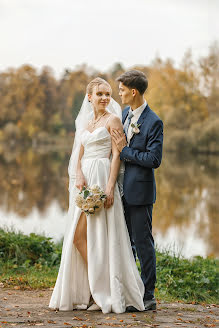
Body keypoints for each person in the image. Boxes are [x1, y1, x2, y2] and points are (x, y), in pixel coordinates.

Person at [49, 77, 145, 314]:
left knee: (102, 236)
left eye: (108, 93)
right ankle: (96, 286)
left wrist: (110, 187)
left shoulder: (113, 120)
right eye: (99, 94)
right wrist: (79, 175)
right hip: (85, 183)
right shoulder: (85, 124)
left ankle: (102, 291)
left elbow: (116, 155)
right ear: (89, 97)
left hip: (102, 178)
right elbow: (79, 156)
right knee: (78, 237)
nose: (105, 97)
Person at [112, 70, 163, 311]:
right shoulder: (124, 114)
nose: (119, 93)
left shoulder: (154, 121)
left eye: (121, 90)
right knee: (126, 243)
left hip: (140, 193)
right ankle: (131, 291)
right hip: (121, 188)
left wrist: (125, 152)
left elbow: (154, 159)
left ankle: (148, 295)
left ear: (133, 92)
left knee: (143, 243)